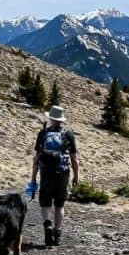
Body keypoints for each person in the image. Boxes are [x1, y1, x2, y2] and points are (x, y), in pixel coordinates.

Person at [31, 105, 79, 246]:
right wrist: (76, 175)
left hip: (46, 173)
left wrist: (33, 177)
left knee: (45, 202)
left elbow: (37, 158)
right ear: (62, 119)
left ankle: (47, 225)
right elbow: (74, 159)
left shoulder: (43, 133)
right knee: (59, 204)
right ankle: (57, 233)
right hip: (62, 173)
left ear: (51, 118)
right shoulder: (68, 134)